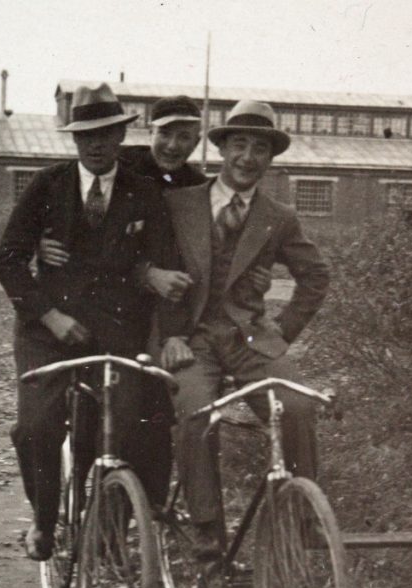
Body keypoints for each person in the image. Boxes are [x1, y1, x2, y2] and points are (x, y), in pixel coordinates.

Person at [35, 94, 271, 511]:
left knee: (156, 424)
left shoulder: (198, 186)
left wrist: (249, 272)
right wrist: (43, 242)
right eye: (165, 134)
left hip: (166, 321)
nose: (173, 146)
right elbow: (77, 225)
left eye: (185, 137)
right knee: (102, 419)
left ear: (198, 139)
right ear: (148, 133)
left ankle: (149, 524)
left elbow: (215, 248)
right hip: (111, 313)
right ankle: (95, 522)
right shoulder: (115, 167)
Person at [0, 82, 171, 561]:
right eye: (85, 135)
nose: (96, 144)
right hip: (46, 330)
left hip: (113, 330)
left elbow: (162, 259)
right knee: (36, 429)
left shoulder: (143, 192)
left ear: (119, 135)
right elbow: (6, 261)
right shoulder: (47, 186)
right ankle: (44, 522)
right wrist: (49, 316)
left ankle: (107, 526)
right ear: (73, 140)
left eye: (106, 133)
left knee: (125, 423)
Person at [157, 100, 331, 560]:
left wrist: (281, 334)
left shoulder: (278, 216)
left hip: (250, 338)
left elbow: (315, 277)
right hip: (191, 340)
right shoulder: (178, 205)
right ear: (221, 150)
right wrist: (169, 334)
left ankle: (305, 517)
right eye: (239, 145)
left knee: (295, 407)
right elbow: (147, 269)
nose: (248, 158)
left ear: (270, 158)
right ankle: (208, 524)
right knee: (195, 412)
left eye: (259, 149)